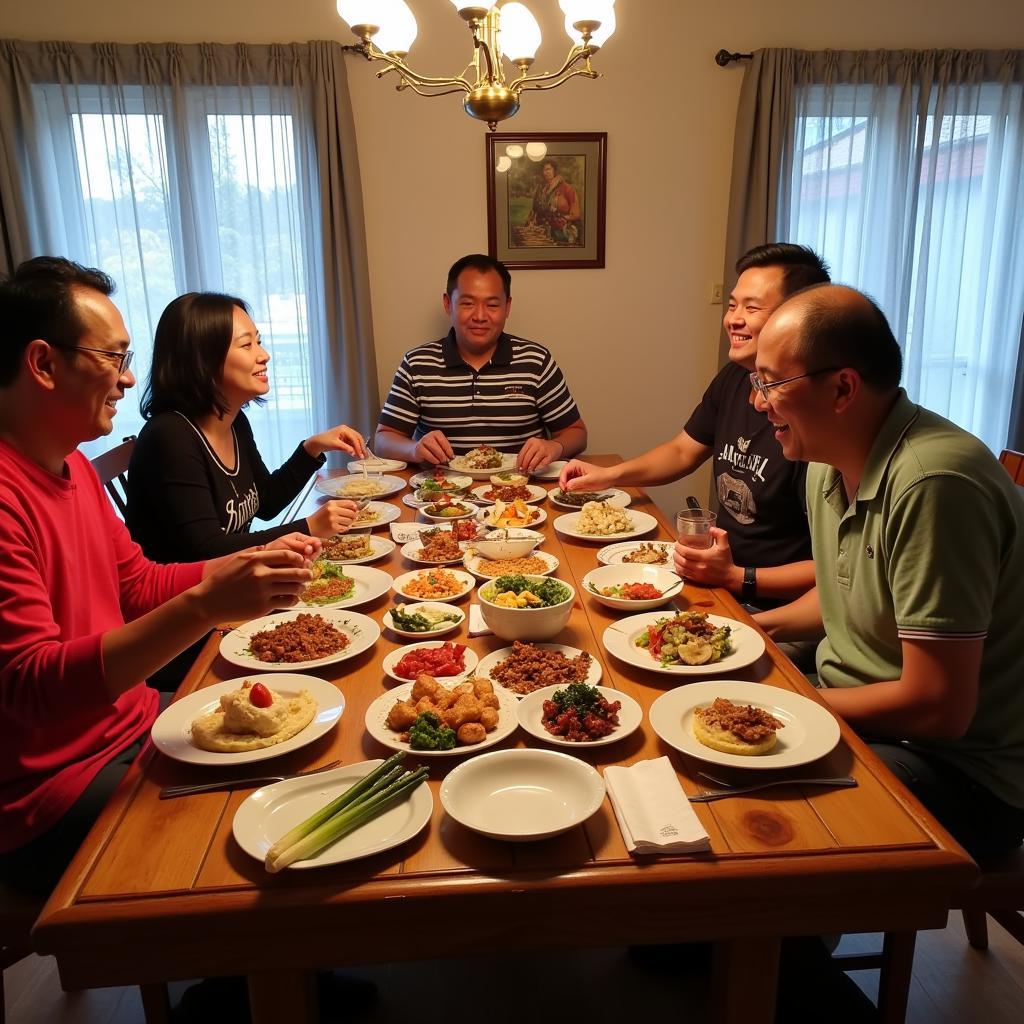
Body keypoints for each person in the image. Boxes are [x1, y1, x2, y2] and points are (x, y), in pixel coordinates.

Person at [0, 258, 317, 896]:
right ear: (43, 363)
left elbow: (140, 584)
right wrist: (206, 604)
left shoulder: (76, 470)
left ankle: (281, 980)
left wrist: (246, 568)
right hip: (52, 789)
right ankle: (234, 988)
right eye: (111, 358)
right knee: (257, 822)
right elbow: (31, 688)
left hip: (133, 719)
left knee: (305, 748)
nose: (128, 378)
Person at [752, 284, 1024, 863]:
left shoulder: (935, 485)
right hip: (857, 704)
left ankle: (781, 943)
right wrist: (753, 633)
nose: (758, 402)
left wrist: (789, 706)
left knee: (762, 820)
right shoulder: (826, 462)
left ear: (843, 387)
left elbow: (938, 705)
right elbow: (842, 595)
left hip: (959, 768)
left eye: (771, 383)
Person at [559, 243, 831, 605]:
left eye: (751, 307)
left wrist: (738, 578)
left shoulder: (815, 416)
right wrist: (607, 476)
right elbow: (682, 450)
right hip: (718, 580)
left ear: (795, 317)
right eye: (732, 305)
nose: (733, 318)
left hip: (769, 601)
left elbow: (836, 569)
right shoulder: (735, 377)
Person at [126, 291, 369, 564]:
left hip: (229, 588)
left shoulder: (233, 420)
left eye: (259, 342)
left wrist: (312, 448)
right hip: (189, 601)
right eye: (246, 345)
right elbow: (205, 551)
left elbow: (264, 503)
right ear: (202, 359)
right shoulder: (170, 436)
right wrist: (309, 527)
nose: (264, 355)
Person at [374, 253, 588, 473]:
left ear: (508, 307)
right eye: (467, 303)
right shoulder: (417, 363)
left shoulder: (536, 360)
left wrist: (555, 446)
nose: (480, 316)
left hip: (521, 494)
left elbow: (577, 433)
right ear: (448, 304)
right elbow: (383, 440)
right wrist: (414, 449)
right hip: (442, 492)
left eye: (493, 305)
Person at [526, 159, 582, 245]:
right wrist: (532, 220)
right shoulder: (541, 190)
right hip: (543, 234)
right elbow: (535, 211)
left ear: (555, 170)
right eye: (543, 170)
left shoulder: (567, 189)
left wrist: (561, 219)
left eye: (548, 169)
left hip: (564, 235)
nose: (545, 172)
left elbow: (576, 214)